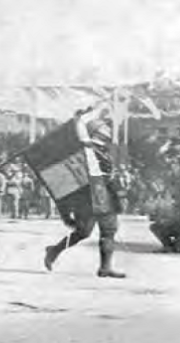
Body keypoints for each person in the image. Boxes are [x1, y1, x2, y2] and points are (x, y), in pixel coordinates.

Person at [43, 114, 127, 278]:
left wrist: (118, 196)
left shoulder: (102, 151)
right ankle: (54, 250)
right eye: (104, 126)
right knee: (83, 232)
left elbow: (110, 177)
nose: (108, 129)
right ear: (97, 131)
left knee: (108, 231)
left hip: (104, 198)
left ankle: (105, 267)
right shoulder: (87, 151)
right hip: (89, 199)